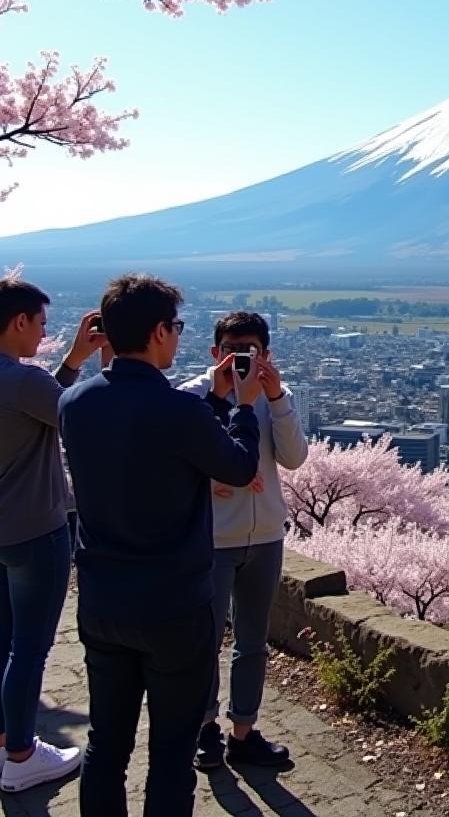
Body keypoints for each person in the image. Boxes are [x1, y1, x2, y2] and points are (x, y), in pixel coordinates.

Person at [58, 274, 261, 817]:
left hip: (103, 601)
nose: (177, 337)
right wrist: (239, 406)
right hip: (174, 605)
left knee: (107, 746)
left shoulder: (75, 404)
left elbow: (149, 449)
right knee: (171, 752)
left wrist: (210, 405)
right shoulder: (178, 410)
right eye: (175, 326)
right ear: (155, 333)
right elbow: (237, 466)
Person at [0, 279, 104, 792]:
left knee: (3, 634)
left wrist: (73, 362)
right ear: (19, 321)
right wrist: (94, 365)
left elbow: (40, 410)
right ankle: (22, 755)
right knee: (31, 648)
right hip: (34, 526)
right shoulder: (20, 379)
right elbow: (77, 419)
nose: (43, 334)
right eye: (39, 323)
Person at [179, 311, 308, 770]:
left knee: (253, 640)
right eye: (231, 350)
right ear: (215, 353)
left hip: (266, 536)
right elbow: (181, 463)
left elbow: (294, 459)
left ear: (266, 355)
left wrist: (274, 399)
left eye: (250, 351)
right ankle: (203, 729)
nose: (240, 360)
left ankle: (244, 732)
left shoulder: (278, 399)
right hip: (212, 539)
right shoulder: (194, 397)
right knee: (203, 642)